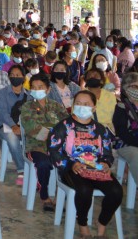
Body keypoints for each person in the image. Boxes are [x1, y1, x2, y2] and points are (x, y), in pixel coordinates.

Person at [48, 90, 123, 238]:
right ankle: (83, 224)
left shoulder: (100, 129)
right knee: (84, 190)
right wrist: (71, 164)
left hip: (96, 169)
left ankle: (102, 223)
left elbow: (107, 153)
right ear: (73, 105)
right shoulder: (63, 126)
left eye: (86, 104)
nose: (82, 107)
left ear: (94, 107)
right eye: (78, 103)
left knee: (116, 192)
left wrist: (105, 164)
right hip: (72, 169)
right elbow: (53, 150)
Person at [19, 72, 67, 211]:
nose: (37, 90)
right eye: (34, 87)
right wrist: (54, 134)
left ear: (48, 89)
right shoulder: (27, 107)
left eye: (40, 87)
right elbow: (31, 128)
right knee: (43, 164)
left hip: (58, 147)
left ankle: (60, 196)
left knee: (68, 163)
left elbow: (67, 125)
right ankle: (44, 195)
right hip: (36, 146)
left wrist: (57, 137)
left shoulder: (57, 106)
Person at [0, 64, 29, 185]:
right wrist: (13, 126)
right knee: (12, 138)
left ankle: (34, 169)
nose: (15, 77)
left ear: (23, 77)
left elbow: (30, 114)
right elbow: (3, 113)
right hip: (5, 126)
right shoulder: (3, 93)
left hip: (24, 127)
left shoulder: (29, 95)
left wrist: (22, 128)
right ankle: (22, 170)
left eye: (18, 75)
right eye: (12, 75)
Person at [113, 72, 138, 197]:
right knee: (136, 156)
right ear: (126, 89)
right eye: (134, 86)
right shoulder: (121, 107)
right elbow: (122, 132)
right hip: (126, 143)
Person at [82, 68, 116, 133]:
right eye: (89, 76)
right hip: (88, 132)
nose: (92, 77)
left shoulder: (110, 96)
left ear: (102, 80)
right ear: (86, 80)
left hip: (110, 132)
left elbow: (116, 117)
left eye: (95, 76)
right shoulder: (80, 96)